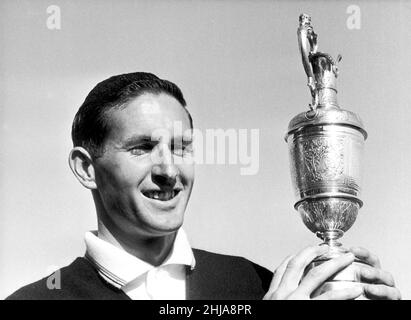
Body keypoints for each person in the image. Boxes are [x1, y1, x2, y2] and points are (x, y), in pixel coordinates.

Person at [6, 72, 401, 300]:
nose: (168, 170)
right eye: (143, 147)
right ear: (85, 168)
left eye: (180, 147)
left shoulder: (255, 284)